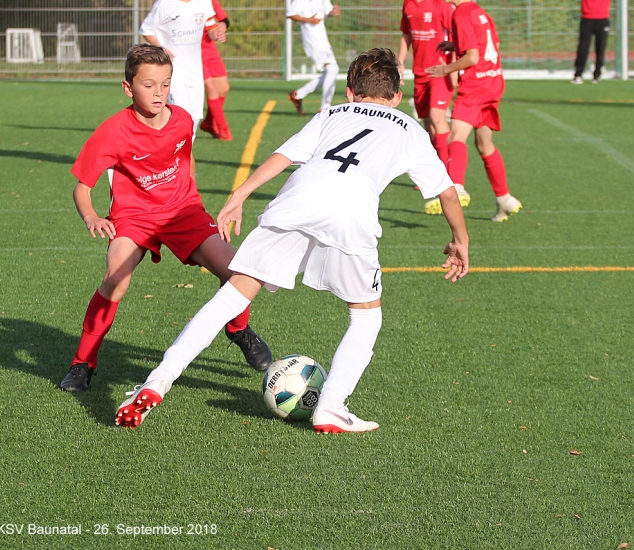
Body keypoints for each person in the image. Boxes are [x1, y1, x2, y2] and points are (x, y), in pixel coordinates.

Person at [115, 48, 470, 433]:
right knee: (366, 315)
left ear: (350, 91)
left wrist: (239, 195)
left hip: (297, 199)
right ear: (397, 97)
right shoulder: (410, 129)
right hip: (351, 212)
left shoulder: (332, 113)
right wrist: (459, 240)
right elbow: (447, 193)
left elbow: (283, 156)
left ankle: (159, 379)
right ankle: (331, 406)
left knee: (232, 296)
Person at [58, 44, 272, 394]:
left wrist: (192, 195)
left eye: (165, 84)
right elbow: (82, 187)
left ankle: (238, 330)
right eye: (148, 85)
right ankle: (82, 363)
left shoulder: (183, 119)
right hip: (134, 217)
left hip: (182, 211)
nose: (159, 92)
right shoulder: (112, 132)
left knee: (238, 271)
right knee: (115, 280)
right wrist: (92, 216)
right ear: (128, 88)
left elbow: (186, 157)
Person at [428, 0, 522, 222]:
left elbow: (472, 57)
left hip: (476, 84)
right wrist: (454, 44)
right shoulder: (480, 12)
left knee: (455, 137)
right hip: (494, 81)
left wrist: (445, 69)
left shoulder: (460, 14)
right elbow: (488, 44)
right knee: (484, 143)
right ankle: (504, 199)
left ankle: (457, 187)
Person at [396, 0, 455, 215]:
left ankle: (449, 179)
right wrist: (400, 62)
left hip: (439, 72)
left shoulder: (441, 1)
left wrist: (453, 67)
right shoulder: (409, 3)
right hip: (420, 74)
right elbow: (406, 35)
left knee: (437, 118)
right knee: (429, 125)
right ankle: (437, 172)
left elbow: (456, 34)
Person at [139, 0, 225, 137]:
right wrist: (161, 49)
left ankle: (178, 150)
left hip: (195, 69)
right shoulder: (164, 4)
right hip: (173, 70)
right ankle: (170, 150)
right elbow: (146, 30)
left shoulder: (204, 3)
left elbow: (210, 29)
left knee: (194, 117)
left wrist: (217, 33)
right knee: (181, 113)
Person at [287, 0, 340, 116]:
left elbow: (326, 11)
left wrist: (332, 12)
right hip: (310, 38)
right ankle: (324, 108)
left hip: (322, 37)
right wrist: (308, 20)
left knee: (330, 72)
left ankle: (298, 94)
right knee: (333, 69)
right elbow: (291, 14)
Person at [192, 0, 234, 141]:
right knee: (211, 88)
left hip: (210, 51)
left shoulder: (209, 1)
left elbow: (224, 20)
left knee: (224, 88)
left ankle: (209, 122)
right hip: (193, 54)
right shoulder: (182, 5)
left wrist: (220, 29)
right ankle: (224, 130)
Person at [570, 0, 622, 84]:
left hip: (602, 20)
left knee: (600, 48)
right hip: (587, 20)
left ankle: (597, 75)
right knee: (583, 48)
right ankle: (578, 75)